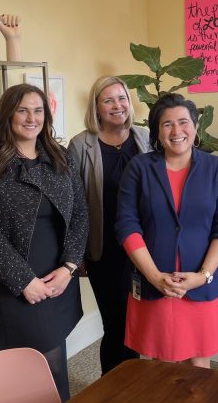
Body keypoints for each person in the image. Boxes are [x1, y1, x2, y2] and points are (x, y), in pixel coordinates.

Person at [0, 83, 88, 402]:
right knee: (14, 369)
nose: (31, 118)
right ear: (7, 115)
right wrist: (24, 282)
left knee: (53, 362)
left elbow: (80, 216)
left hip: (55, 276)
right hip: (9, 282)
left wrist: (70, 268)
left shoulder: (60, 158)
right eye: (22, 110)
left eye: (38, 110)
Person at [115, 93, 218, 368]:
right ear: (157, 132)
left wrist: (203, 276)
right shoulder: (139, 168)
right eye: (167, 124)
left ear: (196, 126)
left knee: (199, 363)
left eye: (183, 122)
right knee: (160, 365)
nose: (176, 131)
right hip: (154, 281)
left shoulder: (216, 169)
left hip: (200, 284)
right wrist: (155, 276)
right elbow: (127, 225)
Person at [67, 76, 150, 375]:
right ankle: (113, 387)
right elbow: (73, 205)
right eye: (108, 100)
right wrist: (75, 254)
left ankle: (132, 385)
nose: (117, 105)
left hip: (144, 249)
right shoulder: (80, 145)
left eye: (121, 98)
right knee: (115, 323)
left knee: (137, 323)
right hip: (105, 249)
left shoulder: (146, 138)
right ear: (97, 108)